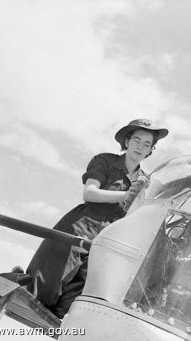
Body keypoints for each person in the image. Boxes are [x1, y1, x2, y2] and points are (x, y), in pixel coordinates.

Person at [25, 118, 168, 318]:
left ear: (150, 150)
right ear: (126, 141)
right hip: (80, 228)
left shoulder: (146, 181)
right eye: (137, 140)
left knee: (73, 302)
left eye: (147, 144)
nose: (140, 147)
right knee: (45, 288)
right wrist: (126, 196)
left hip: (107, 241)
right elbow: (90, 193)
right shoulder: (105, 161)